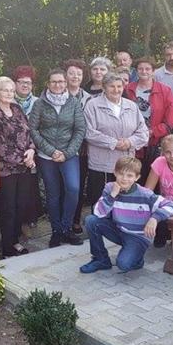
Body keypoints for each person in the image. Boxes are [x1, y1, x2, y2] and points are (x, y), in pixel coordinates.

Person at [79, 156, 173, 274]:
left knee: (123, 264)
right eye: (121, 174)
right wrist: (112, 196)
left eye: (130, 176)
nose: (124, 179)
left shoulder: (145, 194)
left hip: (137, 237)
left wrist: (154, 219)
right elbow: (98, 213)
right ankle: (101, 259)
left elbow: (172, 206)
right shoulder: (110, 188)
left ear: (137, 177)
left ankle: (137, 259)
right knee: (91, 220)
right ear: (115, 173)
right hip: (119, 230)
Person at [28, 69, 86, 248]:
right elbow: (33, 129)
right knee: (53, 194)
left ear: (65, 83)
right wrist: (51, 151)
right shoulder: (39, 104)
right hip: (47, 156)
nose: (58, 85)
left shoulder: (73, 102)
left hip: (69, 154)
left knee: (73, 188)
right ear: (48, 84)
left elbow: (80, 129)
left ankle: (66, 228)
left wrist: (67, 153)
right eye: (54, 82)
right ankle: (56, 231)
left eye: (61, 81)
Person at [0, 77, 36, 258]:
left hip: (25, 167)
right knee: (8, 208)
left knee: (21, 205)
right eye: (5, 90)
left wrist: (31, 150)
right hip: (7, 169)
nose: (9, 93)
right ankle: (7, 247)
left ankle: (15, 240)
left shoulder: (17, 109)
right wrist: (23, 160)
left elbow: (28, 132)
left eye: (11, 90)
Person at [83, 73, 149, 212]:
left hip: (125, 164)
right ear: (104, 87)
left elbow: (143, 133)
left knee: (123, 204)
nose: (116, 90)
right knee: (101, 202)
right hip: (102, 165)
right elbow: (89, 132)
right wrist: (114, 143)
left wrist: (129, 142)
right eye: (111, 86)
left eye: (119, 86)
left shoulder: (131, 106)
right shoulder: (93, 105)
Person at [125, 56, 173, 183]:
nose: (144, 71)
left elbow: (171, 118)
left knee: (154, 178)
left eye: (147, 69)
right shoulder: (127, 89)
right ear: (136, 71)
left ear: (153, 71)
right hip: (132, 141)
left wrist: (153, 132)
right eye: (140, 69)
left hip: (155, 142)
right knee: (132, 176)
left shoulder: (164, 90)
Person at [63, 58, 91, 236]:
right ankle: (61, 222)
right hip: (60, 148)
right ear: (65, 75)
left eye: (79, 74)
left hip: (82, 149)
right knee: (62, 187)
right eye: (71, 73)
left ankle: (75, 220)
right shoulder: (57, 94)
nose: (75, 76)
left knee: (78, 186)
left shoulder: (89, 98)